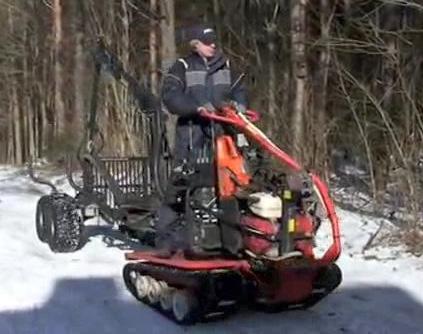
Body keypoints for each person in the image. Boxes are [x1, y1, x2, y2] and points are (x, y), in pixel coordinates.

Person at [155, 24, 248, 256]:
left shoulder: (226, 66)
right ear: (195, 44)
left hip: (223, 137)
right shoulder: (182, 66)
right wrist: (195, 107)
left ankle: (228, 238)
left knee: (228, 186)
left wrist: (239, 104)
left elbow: (239, 89)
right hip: (191, 136)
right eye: (208, 42)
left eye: (214, 41)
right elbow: (170, 96)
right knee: (181, 185)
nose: (213, 45)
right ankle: (166, 240)